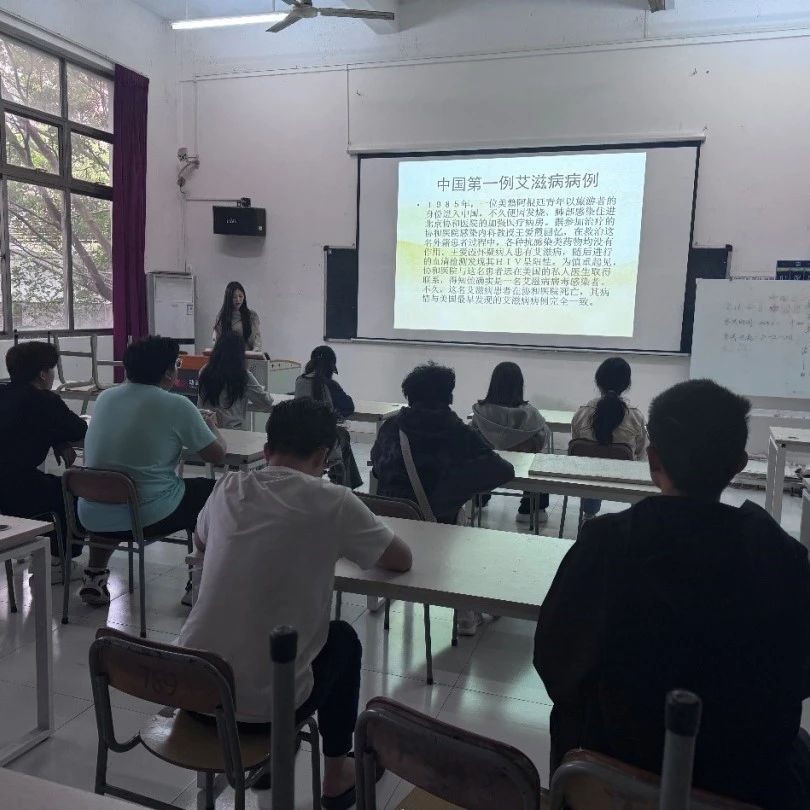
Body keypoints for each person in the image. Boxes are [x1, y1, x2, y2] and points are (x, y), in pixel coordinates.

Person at [534, 379, 810, 810]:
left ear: (653, 458)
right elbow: (799, 676)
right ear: (739, 464)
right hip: (747, 787)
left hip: (605, 781)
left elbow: (554, 661)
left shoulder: (605, 542)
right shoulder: (782, 556)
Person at [178, 399, 412, 809]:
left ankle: (271, 764)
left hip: (193, 691)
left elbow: (201, 541)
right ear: (323, 456)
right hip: (265, 713)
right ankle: (336, 776)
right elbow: (400, 559)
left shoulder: (228, 487)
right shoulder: (334, 501)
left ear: (267, 449)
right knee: (342, 640)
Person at [78, 336, 227, 607]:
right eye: (177, 364)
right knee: (212, 492)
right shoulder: (177, 405)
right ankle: (196, 583)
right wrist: (212, 426)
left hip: (91, 512)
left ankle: (95, 576)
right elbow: (216, 455)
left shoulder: (105, 397)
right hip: (145, 516)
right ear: (168, 372)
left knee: (111, 489)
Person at [371, 362, 514, 636]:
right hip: (440, 524)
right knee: (467, 529)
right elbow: (502, 471)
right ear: (448, 396)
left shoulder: (390, 428)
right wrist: (457, 486)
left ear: (409, 395)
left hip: (392, 527)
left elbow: (378, 468)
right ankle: (466, 613)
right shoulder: (457, 432)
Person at [0, 341, 87, 583]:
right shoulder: (44, 400)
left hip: (6, 484)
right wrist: (59, 438)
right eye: (52, 369)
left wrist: (56, 438)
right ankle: (58, 561)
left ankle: (31, 545)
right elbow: (79, 429)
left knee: (45, 484)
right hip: (14, 488)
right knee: (71, 493)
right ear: (42, 374)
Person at [472, 361, 550, 525]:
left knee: (477, 458)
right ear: (520, 385)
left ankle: (478, 500)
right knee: (541, 462)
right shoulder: (530, 414)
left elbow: (471, 439)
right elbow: (541, 440)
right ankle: (530, 509)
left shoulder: (480, 412)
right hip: (523, 468)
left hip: (489, 467)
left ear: (493, 384)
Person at [570, 357, 647, 519]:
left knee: (591, 464)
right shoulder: (635, 416)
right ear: (627, 385)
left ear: (598, 382)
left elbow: (575, 447)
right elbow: (640, 453)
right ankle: (634, 519)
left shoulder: (582, 413)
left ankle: (588, 515)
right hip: (625, 478)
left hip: (588, 479)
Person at [295, 345, 361, 489]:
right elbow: (349, 407)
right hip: (325, 442)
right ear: (331, 367)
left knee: (341, 436)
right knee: (344, 436)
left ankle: (349, 483)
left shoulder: (299, 380)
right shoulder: (330, 384)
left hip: (301, 439)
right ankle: (347, 487)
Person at [198, 333, 273, 429]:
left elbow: (201, 404)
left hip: (207, 429)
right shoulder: (241, 374)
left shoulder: (204, 370)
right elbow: (266, 401)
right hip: (233, 430)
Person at [212, 281, 262, 352]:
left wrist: (256, 352)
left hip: (248, 355)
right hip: (227, 356)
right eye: (234, 297)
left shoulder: (252, 316)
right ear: (228, 299)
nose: (238, 300)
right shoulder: (222, 316)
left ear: (244, 297)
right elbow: (217, 342)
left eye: (240, 296)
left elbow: (257, 339)